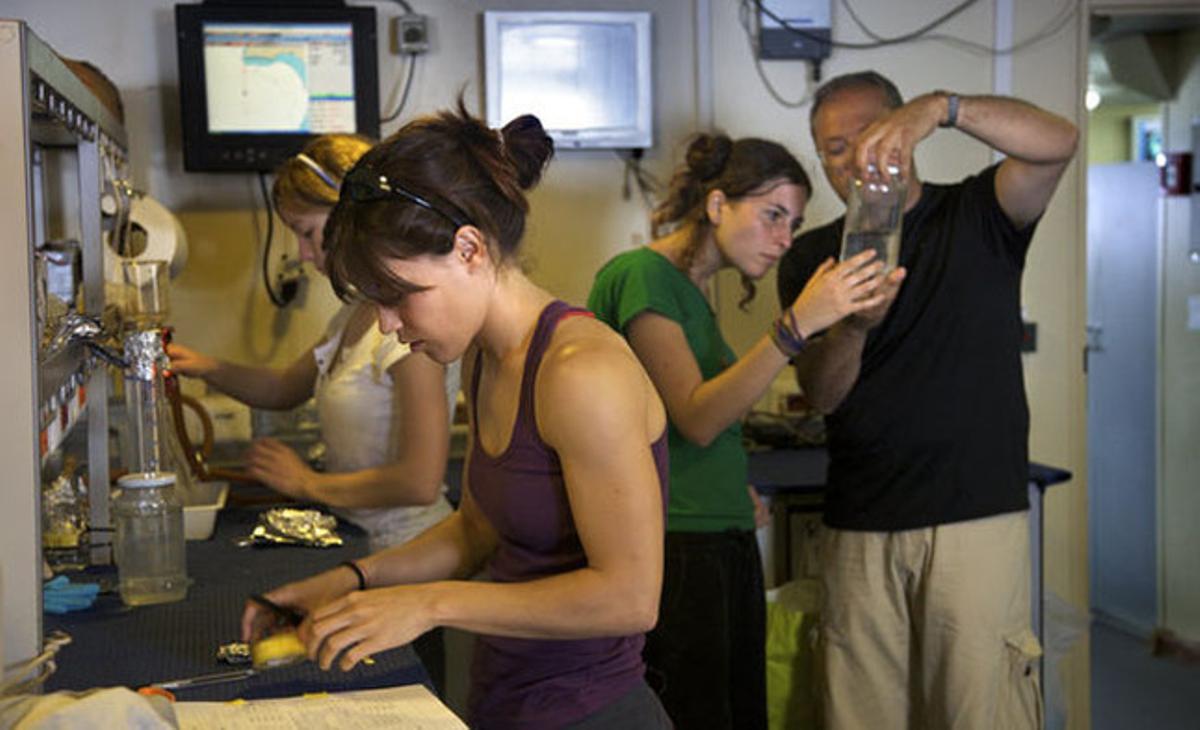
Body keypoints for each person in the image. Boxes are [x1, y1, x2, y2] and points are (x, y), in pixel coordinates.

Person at [242, 104, 674, 729]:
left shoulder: (581, 372)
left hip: (591, 711)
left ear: (469, 248)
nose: (388, 324)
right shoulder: (485, 357)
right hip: (507, 701)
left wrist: (426, 605)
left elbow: (630, 598)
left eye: (399, 296)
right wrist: (351, 579)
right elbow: (476, 530)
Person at [776, 71, 1078, 729]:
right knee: (860, 714)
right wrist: (855, 324)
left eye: (870, 136)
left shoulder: (978, 213)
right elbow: (823, 395)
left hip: (974, 517)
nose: (853, 158)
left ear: (903, 133)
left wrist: (942, 109)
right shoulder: (809, 260)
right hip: (860, 522)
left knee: (977, 711)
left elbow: (1057, 142)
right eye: (833, 148)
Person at [587, 134, 888, 729]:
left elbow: (694, 427)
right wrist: (798, 325)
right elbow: (697, 417)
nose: (784, 239)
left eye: (794, 222)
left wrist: (732, 486)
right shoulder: (642, 275)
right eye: (772, 215)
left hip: (715, 534)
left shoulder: (693, 290)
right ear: (718, 204)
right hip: (677, 543)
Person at [167, 134, 459, 693]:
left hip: (409, 560)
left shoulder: (403, 329)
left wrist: (309, 484)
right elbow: (283, 386)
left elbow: (421, 481)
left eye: (308, 233)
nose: (302, 253)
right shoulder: (352, 317)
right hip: (364, 553)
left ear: (352, 219)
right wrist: (203, 366)